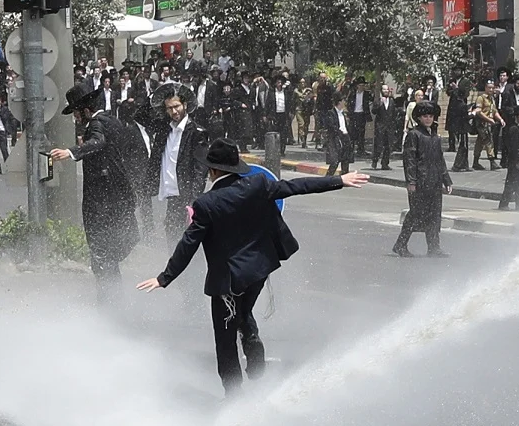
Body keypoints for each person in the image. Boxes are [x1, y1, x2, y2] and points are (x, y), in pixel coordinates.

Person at [139, 139, 370, 392]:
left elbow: (188, 245)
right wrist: (339, 180)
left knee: (225, 341)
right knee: (244, 310)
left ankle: (235, 397)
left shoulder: (206, 204)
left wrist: (164, 278)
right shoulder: (257, 185)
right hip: (260, 269)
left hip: (228, 282)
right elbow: (296, 186)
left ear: (213, 171)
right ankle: (251, 340)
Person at [50, 83, 140, 301]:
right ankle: (112, 300)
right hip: (118, 197)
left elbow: (97, 142)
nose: (76, 119)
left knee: (102, 256)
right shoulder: (114, 122)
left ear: (85, 110)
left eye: (76, 113)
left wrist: (70, 152)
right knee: (109, 257)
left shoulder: (96, 124)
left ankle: (109, 304)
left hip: (103, 201)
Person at [392, 99, 452, 257]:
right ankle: (401, 244)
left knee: (434, 214)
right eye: (425, 116)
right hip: (420, 182)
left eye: (431, 116)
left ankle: (433, 247)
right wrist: (411, 181)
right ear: (418, 117)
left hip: (434, 181)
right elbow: (409, 160)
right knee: (415, 213)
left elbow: (440, 160)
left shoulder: (435, 137)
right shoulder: (414, 135)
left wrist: (446, 179)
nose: (428, 119)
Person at [149, 88, 208, 246]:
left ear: (185, 105)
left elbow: (200, 170)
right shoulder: (165, 131)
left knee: (189, 245)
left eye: (177, 106)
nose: (174, 111)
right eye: (169, 108)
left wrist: (193, 199)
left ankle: (193, 271)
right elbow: (156, 159)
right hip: (172, 197)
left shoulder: (196, 132)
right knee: (172, 242)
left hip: (188, 198)